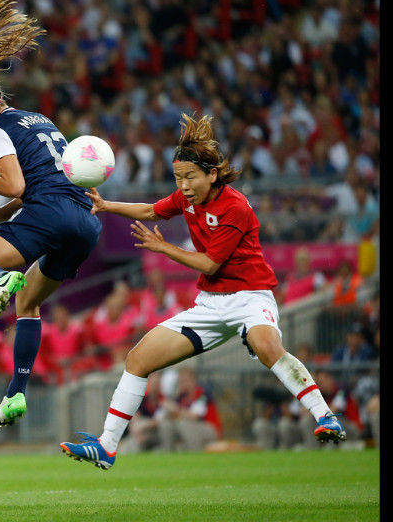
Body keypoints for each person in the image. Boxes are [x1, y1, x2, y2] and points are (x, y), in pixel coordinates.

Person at [60, 114, 346, 470]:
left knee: (268, 346)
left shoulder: (235, 206)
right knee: (137, 360)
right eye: (178, 178)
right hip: (210, 304)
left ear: (212, 174)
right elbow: (151, 210)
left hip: (250, 297)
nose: (183, 185)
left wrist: (164, 249)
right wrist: (107, 206)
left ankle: (325, 416)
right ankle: (107, 446)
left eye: (189, 177)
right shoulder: (187, 197)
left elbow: (210, 264)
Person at [0, 0, 103, 427]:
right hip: (84, 221)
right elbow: (39, 181)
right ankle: (15, 394)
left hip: (48, 212)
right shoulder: (40, 119)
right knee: (28, 304)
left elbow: (14, 184)